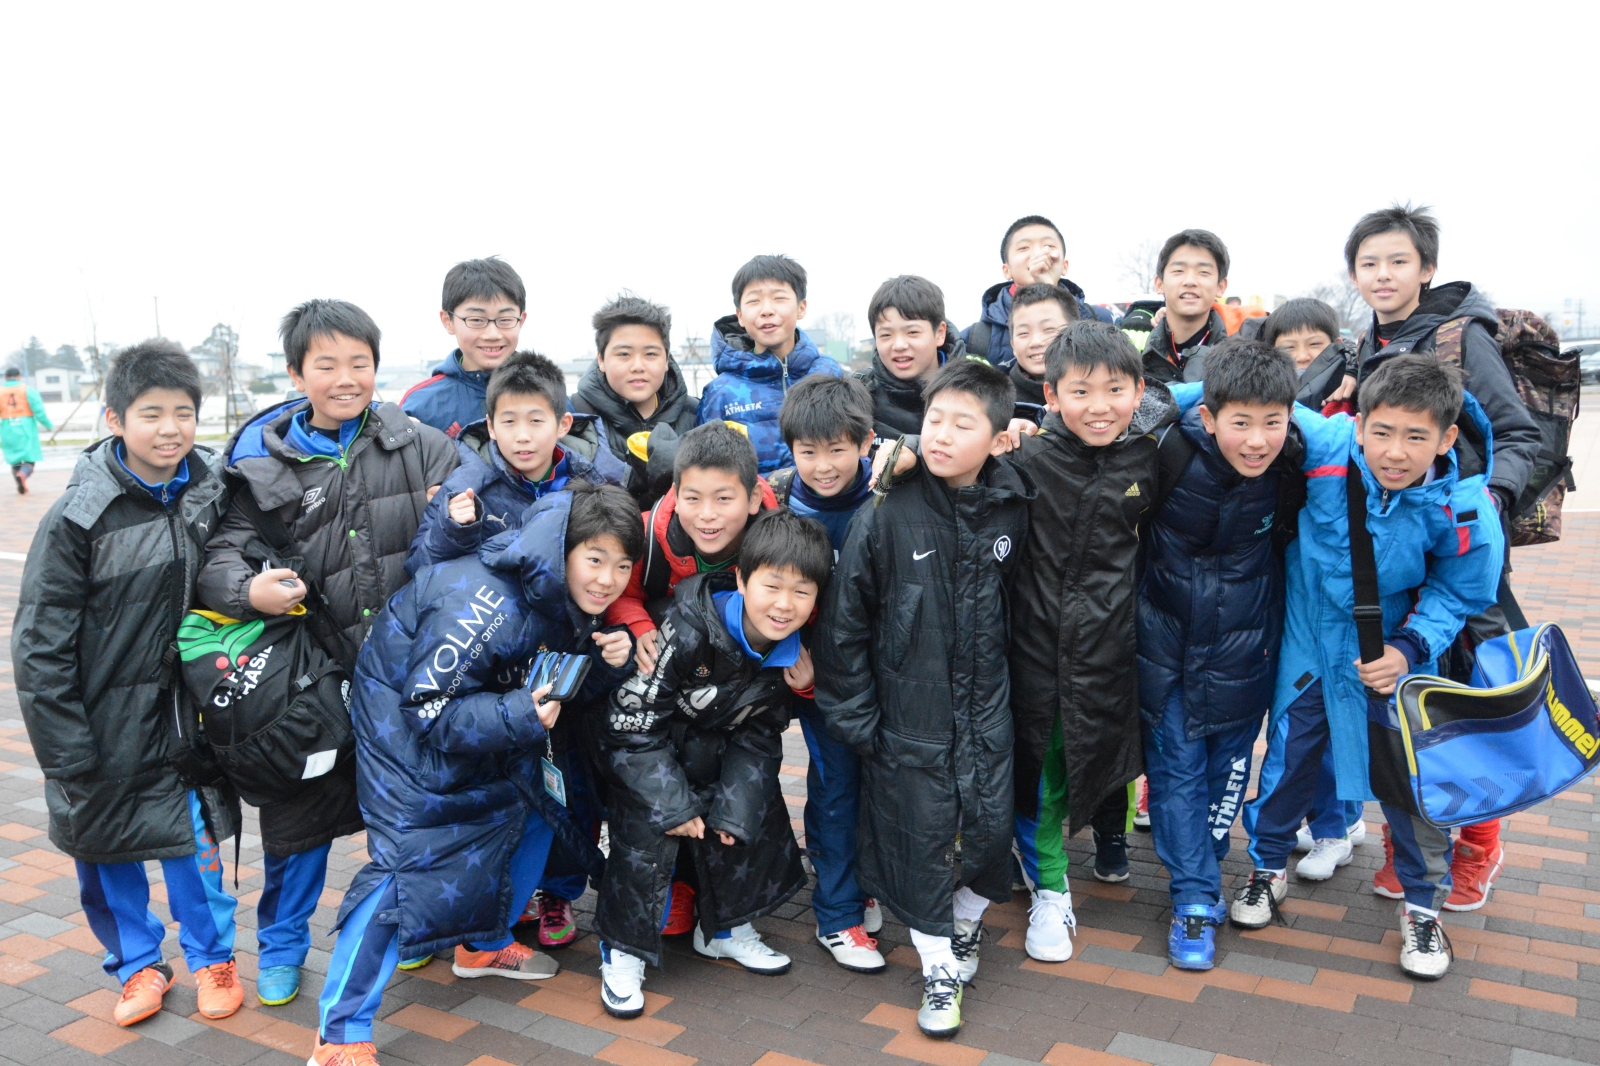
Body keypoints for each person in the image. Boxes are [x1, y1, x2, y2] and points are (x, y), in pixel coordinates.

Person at [311, 483, 640, 1066]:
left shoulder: (559, 595)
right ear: (562, 550)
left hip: (473, 722)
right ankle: (339, 1033)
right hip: (403, 731)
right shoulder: (486, 602)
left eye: (622, 566)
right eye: (594, 559)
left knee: (530, 815)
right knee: (407, 862)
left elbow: (549, 683)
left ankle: (482, 944)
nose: (607, 580)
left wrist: (607, 666)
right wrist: (518, 714)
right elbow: (428, 708)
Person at [197, 299, 458, 1007]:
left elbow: (481, 514)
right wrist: (248, 591)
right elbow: (220, 554)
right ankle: (282, 946)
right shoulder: (262, 467)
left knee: (403, 815)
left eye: (359, 363)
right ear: (296, 373)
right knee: (297, 827)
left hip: (403, 674)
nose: (346, 378)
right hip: (310, 682)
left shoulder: (420, 444)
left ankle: (407, 924)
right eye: (326, 365)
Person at [1231, 355, 1503, 981]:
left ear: (1446, 438)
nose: (1395, 452)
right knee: (1289, 757)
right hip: (1308, 641)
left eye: (1416, 436)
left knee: (1411, 782)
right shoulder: (1328, 444)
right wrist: (1147, 403)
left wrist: (1408, 647)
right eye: (1382, 432)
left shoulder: (1463, 504)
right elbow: (1239, 397)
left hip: (1390, 653)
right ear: (1358, 425)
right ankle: (1266, 868)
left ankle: (1423, 908)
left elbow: (1460, 591)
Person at [15, 340, 244, 1026]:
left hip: (187, 718)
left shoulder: (214, 495)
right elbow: (40, 644)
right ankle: (137, 965)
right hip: (101, 723)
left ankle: (213, 959)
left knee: (195, 850)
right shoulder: (77, 517)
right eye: (151, 413)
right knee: (106, 850)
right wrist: (65, 748)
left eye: (183, 412)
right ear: (114, 418)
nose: (170, 428)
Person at [817, 358, 1034, 1038]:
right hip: (908, 722)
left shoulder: (1012, 505)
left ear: (998, 439)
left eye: (963, 425)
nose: (941, 435)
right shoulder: (887, 511)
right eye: (934, 419)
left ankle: (966, 925)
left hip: (988, 715)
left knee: (989, 832)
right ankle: (938, 967)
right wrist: (858, 720)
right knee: (918, 844)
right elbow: (846, 624)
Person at [1345, 204, 1541, 911]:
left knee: (1467, 712)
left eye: (1398, 261)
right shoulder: (1365, 344)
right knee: (1403, 714)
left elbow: (1520, 436)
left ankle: (1479, 848)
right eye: (1369, 263)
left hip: (1462, 556)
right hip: (1395, 561)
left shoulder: (1461, 336)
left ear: (1426, 269)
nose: (1383, 274)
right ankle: (1407, 849)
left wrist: (1482, 499)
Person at [595, 510, 830, 1017]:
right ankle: (622, 950)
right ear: (742, 579)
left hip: (714, 757)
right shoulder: (686, 627)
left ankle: (724, 929)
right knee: (648, 829)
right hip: (646, 756)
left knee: (746, 813)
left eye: (801, 592)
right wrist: (673, 803)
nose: (784, 604)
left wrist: (735, 811)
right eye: (772, 586)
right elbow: (630, 725)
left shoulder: (790, 653)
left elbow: (761, 735)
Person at [1006, 321, 1186, 964]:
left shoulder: (1152, 455)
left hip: (1116, 642)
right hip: (1037, 645)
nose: (1100, 406)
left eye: (1116, 389)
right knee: (1045, 769)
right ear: (1051, 396)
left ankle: (1111, 839)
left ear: (1140, 391)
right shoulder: (1026, 460)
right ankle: (1051, 889)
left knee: (1113, 751)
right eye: (1080, 392)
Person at [1136, 339, 1303, 970]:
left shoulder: (1294, 462)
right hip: (1167, 651)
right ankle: (1195, 900)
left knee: (1225, 775)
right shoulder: (1168, 450)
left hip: (1245, 652)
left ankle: (1199, 867)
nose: (1257, 441)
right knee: (1176, 775)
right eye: (1240, 423)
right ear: (1208, 418)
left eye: (1271, 422)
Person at [604, 420, 777, 932]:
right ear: (676, 494)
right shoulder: (650, 534)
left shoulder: (774, 535)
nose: (707, 515)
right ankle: (676, 887)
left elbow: (796, 595)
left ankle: (722, 909)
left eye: (724, 499)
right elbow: (620, 589)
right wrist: (638, 626)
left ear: (752, 498)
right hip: (668, 673)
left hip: (737, 684)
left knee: (733, 781)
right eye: (693, 498)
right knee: (664, 775)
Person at [757, 374, 884, 971]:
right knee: (834, 789)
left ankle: (863, 884)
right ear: (790, 449)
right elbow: (760, 594)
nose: (823, 465)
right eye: (808, 451)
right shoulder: (780, 502)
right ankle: (837, 916)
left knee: (881, 789)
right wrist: (791, 659)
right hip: (816, 683)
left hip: (884, 677)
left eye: (838, 449)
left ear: (866, 442)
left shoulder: (890, 494)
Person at [408, 350, 624, 574]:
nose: (522, 436)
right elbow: (417, 566)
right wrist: (452, 529)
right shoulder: (465, 484)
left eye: (536, 421)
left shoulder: (601, 479)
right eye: (509, 421)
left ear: (563, 425)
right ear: (491, 427)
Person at [698, 254, 843, 472]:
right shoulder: (721, 392)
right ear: (740, 316)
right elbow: (708, 470)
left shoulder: (829, 374)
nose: (766, 310)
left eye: (779, 298)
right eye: (754, 301)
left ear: (801, 307)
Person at [571, 294, 699, 506]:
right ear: (601, 359)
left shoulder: (695, 414)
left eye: (650, 354)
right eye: (624, 354)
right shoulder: (576, 416)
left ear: (666, 360)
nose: (638, 366)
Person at [963, 214, 1113, 369]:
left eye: (1049, 246)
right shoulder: (974, 340)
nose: (1038, 254)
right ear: (1006, 270)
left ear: (1064, 266)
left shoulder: (1102, 321)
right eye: (1024, 248)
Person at [402, 257, 528, 439]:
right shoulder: (421, 405)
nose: (492, 334)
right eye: (476, 320)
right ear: (448, 321)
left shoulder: (546, 391)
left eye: (505, 320)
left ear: (521, 321)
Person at [859, 275, 967, 442]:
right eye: (886, 335)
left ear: (940, 333)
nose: (899, 345)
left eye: (912, 332)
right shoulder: (857, 395)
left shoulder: (977, 392)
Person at [1142, 229, 1231, 384]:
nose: (1190, 281)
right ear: (1159, 284)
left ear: (1221, 286)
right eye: (1178, 271)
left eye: (1203, 272)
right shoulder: (1134, 348)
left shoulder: (1248, 336)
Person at [1262, 297, 1359, 415]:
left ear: (1337, 345)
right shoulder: (1260, 398)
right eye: (1289, 347)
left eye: (1314, 344)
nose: (1302, 357)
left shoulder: (1354, 389)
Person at [1007, 283, 1079, 421]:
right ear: (1013, 346)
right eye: (1023, 333)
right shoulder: (999, 402)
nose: (1036, 342)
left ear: (1074, 333)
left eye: (1049, 329)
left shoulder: (1097, 391)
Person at [0, 366, 52, 493]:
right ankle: (23, 474)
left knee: (14, 458)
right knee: (29, 458)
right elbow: (39, 411)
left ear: (5, 378)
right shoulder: (28, 390)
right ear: (19, 377)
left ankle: (20, 484)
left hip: (7, 427)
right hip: (25, 427)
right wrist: (48, 425)